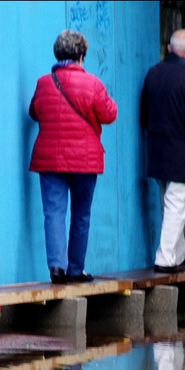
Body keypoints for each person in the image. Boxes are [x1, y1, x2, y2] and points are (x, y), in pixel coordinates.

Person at [29, 29, 117, 284]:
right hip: (84, 160)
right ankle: (76, 270)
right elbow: (110, 114)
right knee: (81, 215)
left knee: (53, 213)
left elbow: (34, 112)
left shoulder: (44, 82)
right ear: (80, 57)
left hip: (49, 159)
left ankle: (56, 268)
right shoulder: (92, 84)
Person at [140, 29, 185, 273]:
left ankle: (178, 255)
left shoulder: (153, 73)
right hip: (183, 155)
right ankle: (165, 259)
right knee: (176, 206)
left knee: (168, 205)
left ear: (169, 49)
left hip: (158, 151)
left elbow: (144, 114)